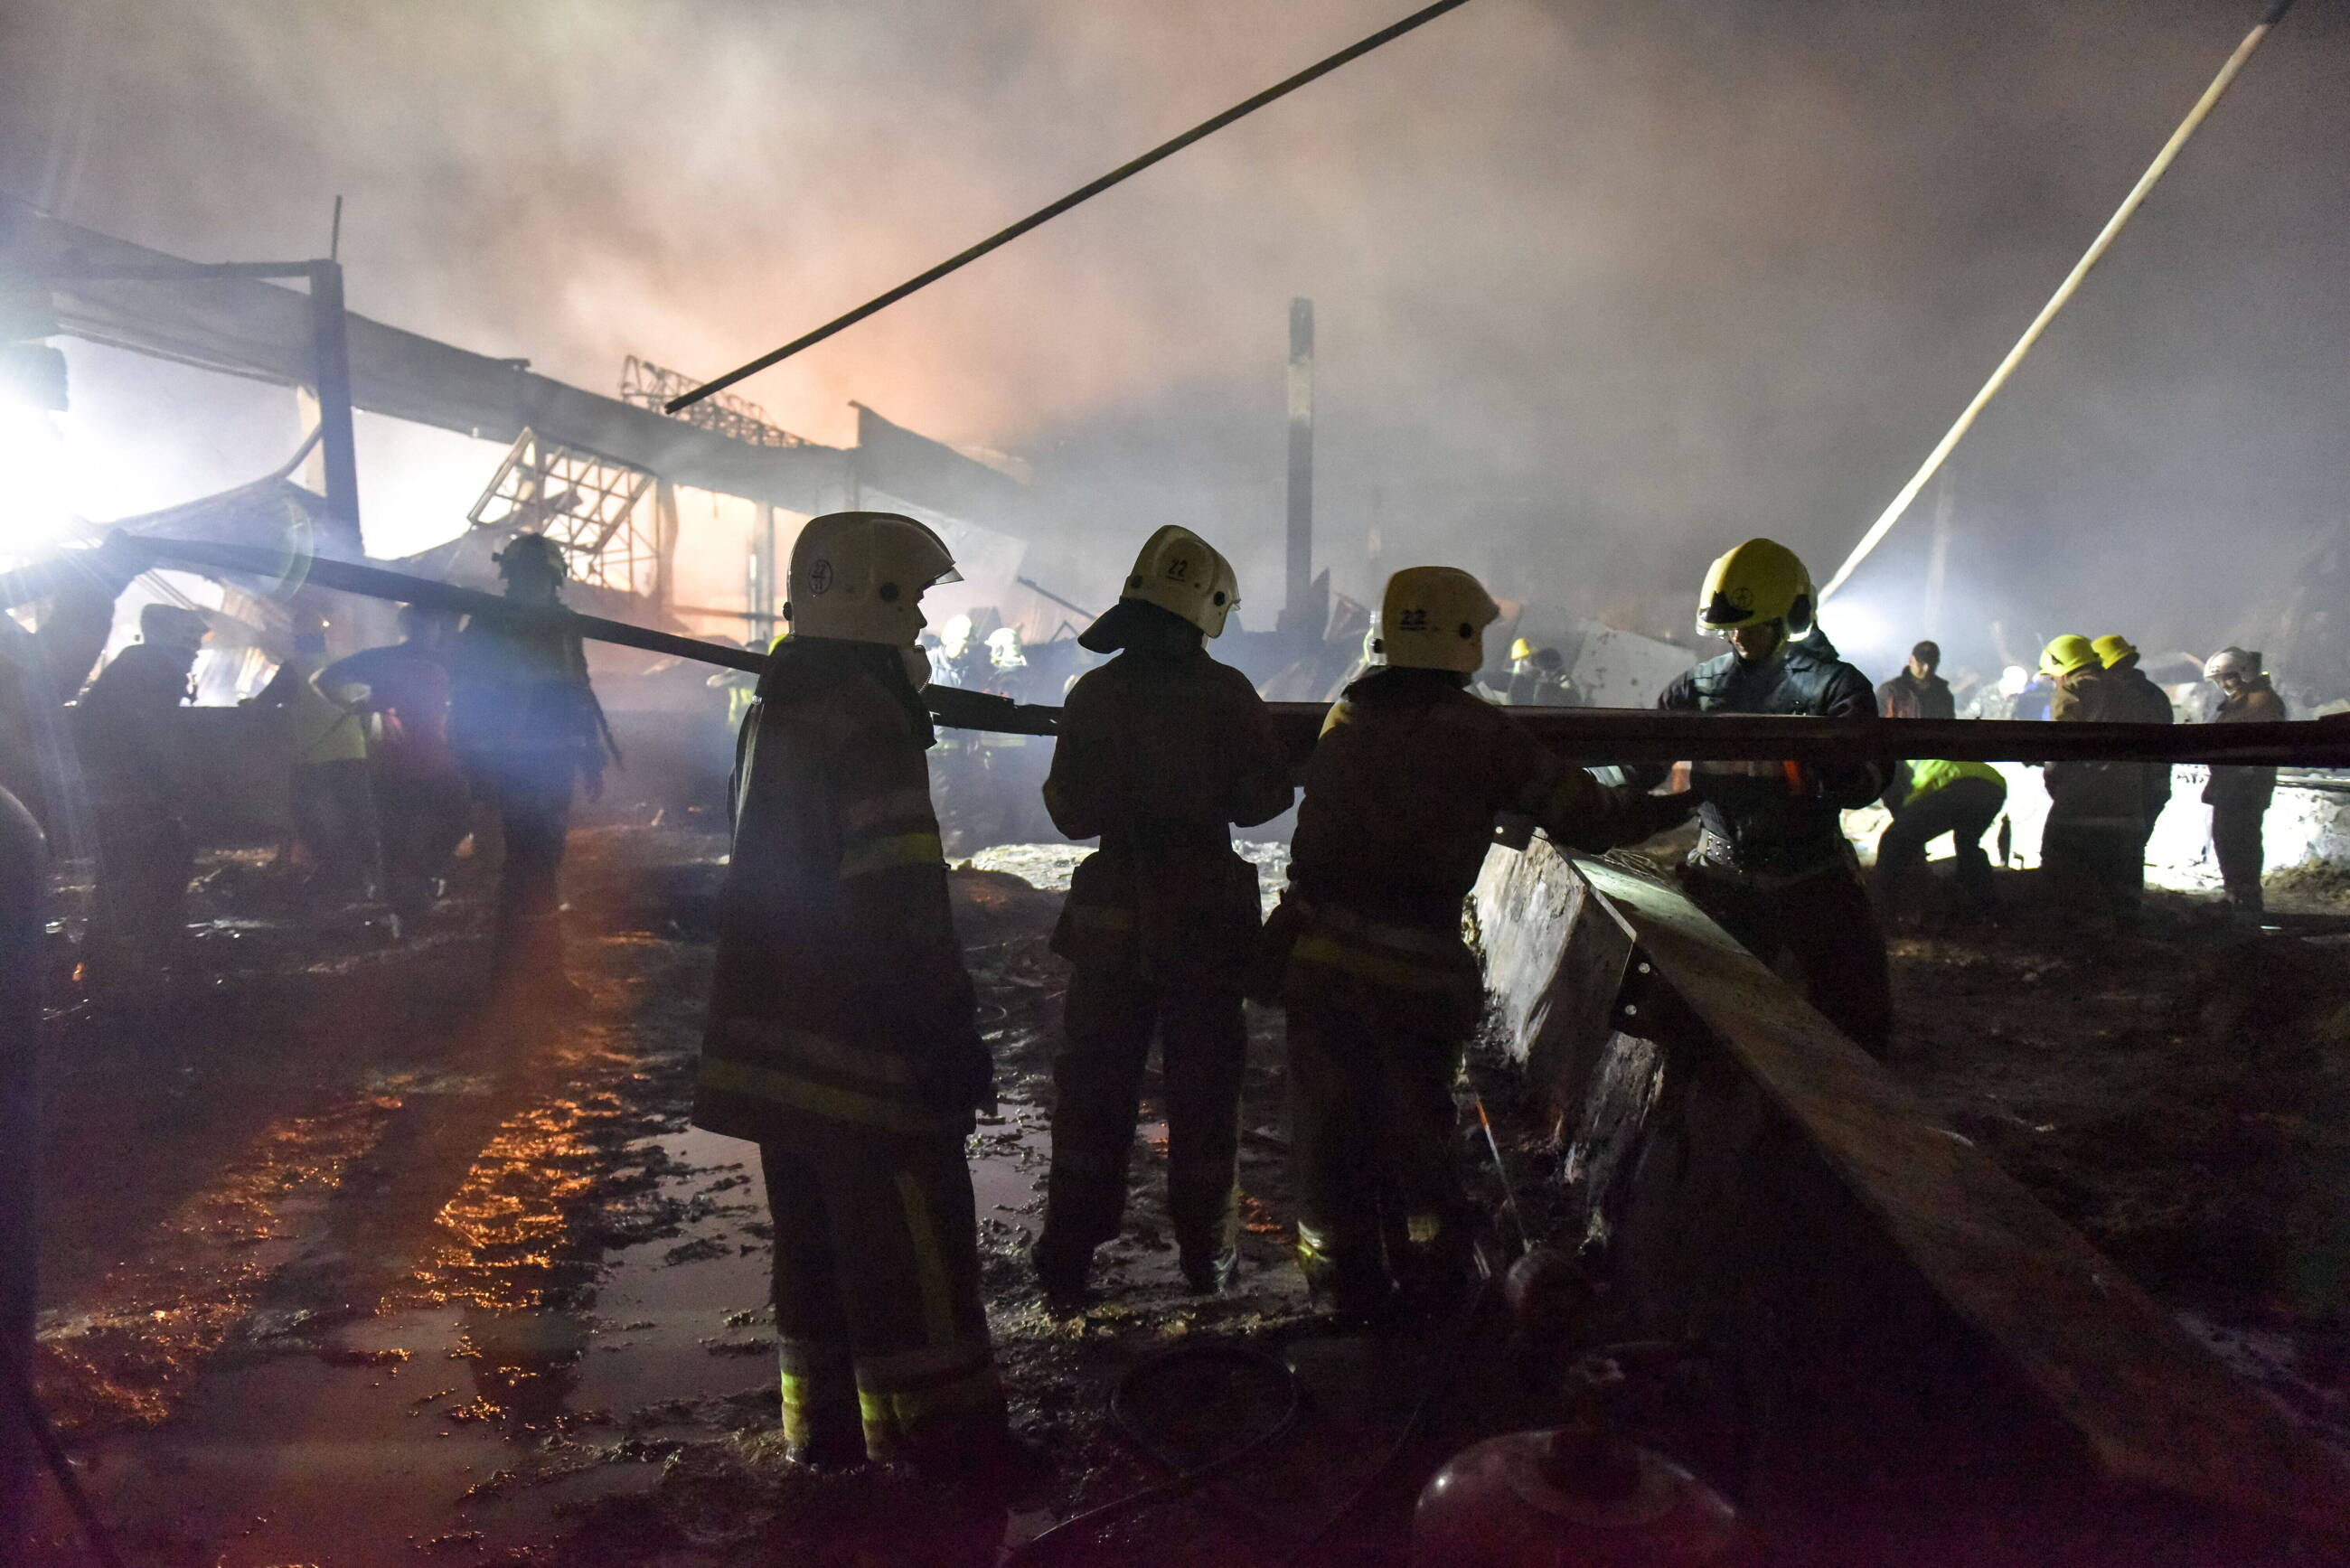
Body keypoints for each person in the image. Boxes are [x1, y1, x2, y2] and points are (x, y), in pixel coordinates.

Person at [1263, 566, 1691, 1319]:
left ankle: (1341, 1289)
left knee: (1328, 1133)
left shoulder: (1347, 712)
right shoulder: (1481, 732)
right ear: (1457, 636)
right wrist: (1667, 806)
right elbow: (1585, 814)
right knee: (1415, 1140)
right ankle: (1432, 1293)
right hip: (1410, 969)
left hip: (1317, 960)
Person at [692, 512, 1003, 1470]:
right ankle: (942, 1447)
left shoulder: (776, 708)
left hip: (779, 1050)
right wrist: (943, 1034)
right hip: (866, 1054)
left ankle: (821, 1438)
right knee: (913, 1253)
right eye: (912, 607)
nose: (921, 631)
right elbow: (897, 904)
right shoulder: (866, 726)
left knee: (816, 1255)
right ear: (875, 602)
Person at [1031, 527, 1292, 1300]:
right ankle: (1206, 1259)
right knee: (1206, 1096)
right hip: (1206, 926)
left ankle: (1068, 1258)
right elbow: (1263, 801)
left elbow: (1070, 813)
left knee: (1093, 1094)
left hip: (1110, 928)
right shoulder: (1229, 694)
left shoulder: (1095, 694)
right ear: (1207, 609)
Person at [1636, 539, 1892, 1055]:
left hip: (1811, 878)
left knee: (1856, 1025)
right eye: (1730, 628)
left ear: (1790, 616)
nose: (1737, 637)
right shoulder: (1696, 687)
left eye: (1750, 625)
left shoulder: (1836, 687)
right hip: (1721, 878)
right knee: (1696, 1030)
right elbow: (1641, 764)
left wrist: (1830, 760)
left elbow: (1867, 782)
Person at [447, 534, 614, 1003]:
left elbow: (577, 688)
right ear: (511, 579)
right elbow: (467, 697)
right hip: (512, 760)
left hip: (554, 760)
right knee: (530, 864)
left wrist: (590, 758)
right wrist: (475, 763)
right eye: (526, 577)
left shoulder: (561, 626)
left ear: (554, 580)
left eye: (540, 578)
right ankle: (521, 977)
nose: (533, 586)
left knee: (542, 863)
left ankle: (536, 973)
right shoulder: (488, 623)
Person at [325, 606, 470, 927]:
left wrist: (354, 704)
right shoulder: (386, 660)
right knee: (394, 839)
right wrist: (355, 704)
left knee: (451, 820)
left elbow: (324, 679)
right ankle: (402, 913)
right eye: (430, 627)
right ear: (420, 628)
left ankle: (418, 881)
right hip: (397, 767)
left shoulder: (429, 660)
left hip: (426, 763)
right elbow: (323, 679)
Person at [257, 619, 381, 905]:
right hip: (354, 752)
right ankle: (373, 877)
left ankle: (335, 873)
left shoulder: (293, 668)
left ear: (296, 642)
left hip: (314, 756)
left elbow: (262, 705)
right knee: (359, 818)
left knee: (309, 818)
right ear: (324, 640)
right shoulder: (342, 663)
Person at [2037, 634, 2145, 925]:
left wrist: (2056, 785)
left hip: (2081, 804)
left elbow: (2058, 749)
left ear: (2062, 668)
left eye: (2053, 677)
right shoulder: (2126, 690)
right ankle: (2124, 944)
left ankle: (2077, 944)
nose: (2053, 683)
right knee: (2116, 882)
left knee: (2062, 870)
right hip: (2127, 803)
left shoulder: (2074, 690)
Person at [2202, 646, 2288, 917]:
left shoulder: (2258, 703)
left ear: (2244, 673)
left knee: (2239, 843)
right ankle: (2238, 899)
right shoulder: (2250, 700)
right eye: (2220, 679)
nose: (2224, 684)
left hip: (2242, 788)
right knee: (2231, 841)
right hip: (2234, 787)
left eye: (2229, 677)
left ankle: (2243, 902)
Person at [1875, 759, 2007, 923]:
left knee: (1893, 840)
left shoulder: (1890, 763)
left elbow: (1898, 808)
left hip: (1954, 784)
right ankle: (1987, 908)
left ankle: (1881, 909)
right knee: (1967, 845)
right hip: (1993, 785)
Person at [2093, 634, 2176, 879]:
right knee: (2131, 853)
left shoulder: (2113, 695)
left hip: (2123, 788)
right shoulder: (2155, 694)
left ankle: (2111, 909)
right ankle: (2129, 907)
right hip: (2154, 786)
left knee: (2111, 857)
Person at [1876, 641, 1955, 720]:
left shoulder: (1943, 694)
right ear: (1911, 661)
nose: (1926, 669)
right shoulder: (1889, 691)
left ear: (1937, 663)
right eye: (1921, 663)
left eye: (1931, 664)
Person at [1503, 639, 1575, 707]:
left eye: (1525, 658)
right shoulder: (1520, 679)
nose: (1520, 664)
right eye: (1517, 660)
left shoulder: (1561, 683)